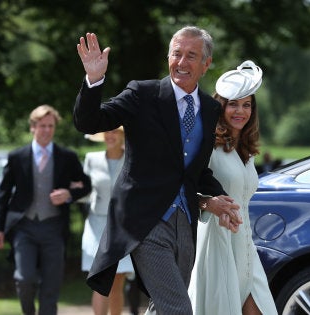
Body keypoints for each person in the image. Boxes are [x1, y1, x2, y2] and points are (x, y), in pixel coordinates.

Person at [73, 26, 243, 314]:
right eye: (176, 54)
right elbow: (90, 122)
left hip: (185, 222)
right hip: (145, 222)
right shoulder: (143, 94)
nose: (182, 62)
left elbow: (193, 170)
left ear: (206, 64)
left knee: (161, 307)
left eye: (191, 55)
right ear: (168, 57)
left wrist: (220, 200)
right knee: (178, 308)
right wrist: (94, 79)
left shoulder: (210, 109)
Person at [188, 60, 278, 315]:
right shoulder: (208, 145)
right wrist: (207, 203)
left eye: (247, 104)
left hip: (245, 245)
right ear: (221, 105)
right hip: (217, 242)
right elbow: (183, 188)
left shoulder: (247, 152)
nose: (241, 111)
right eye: (234, 104)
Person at [0, 104, 92, 315]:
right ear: (32, 127)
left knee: (51, 285)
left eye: (50, 126)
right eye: (42, 126)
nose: (47, 130)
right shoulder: (17, 157)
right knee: (25, 278)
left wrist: (69, 194)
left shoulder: (67, 157)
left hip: (54, 228)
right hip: (24, 227)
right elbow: (3, 193)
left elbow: (86, 185)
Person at [81, 127, 134, 315]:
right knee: (99, 280)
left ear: (123, 135)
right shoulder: (91, 159)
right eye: (108, 132)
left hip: (123, 227)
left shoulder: (134, 158)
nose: (110, 136)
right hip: (97, 225)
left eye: (115, 132)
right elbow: (83, 192)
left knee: (117, 279)